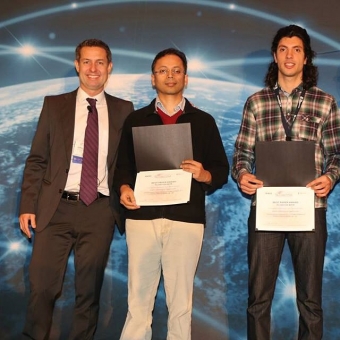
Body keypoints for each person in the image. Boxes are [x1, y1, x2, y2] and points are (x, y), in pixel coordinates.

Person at [19, 38, 134, 339]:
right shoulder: (54, 105)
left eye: (99, 62)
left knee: (88, 293)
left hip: (99, 212)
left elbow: (128, 163)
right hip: (54, 210)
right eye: (86, 62)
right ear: (77, 65)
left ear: (109, 67)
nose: (93, 69)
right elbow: (37, 159)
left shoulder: (125, 110)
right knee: (42, 288)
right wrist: (28, 205)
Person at [232, 25, 340, 340]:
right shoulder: (256, 102)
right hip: (267, 209)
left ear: (306, 58)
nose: (289, 55)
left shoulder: (326, 102)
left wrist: (330, 177)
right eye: (283, 49)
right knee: (258, 298)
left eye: (296, 49)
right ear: (275, 56)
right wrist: (242, 174)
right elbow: (241, 152)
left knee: (310, 300)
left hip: (310, 207)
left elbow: (336, 154)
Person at [114, 47, 229, 340]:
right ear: (153, 78)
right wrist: (125, 187)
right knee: (138, 303)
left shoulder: (203, 121)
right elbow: (123, 167)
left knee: (180, 305)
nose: (170, 76)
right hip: (142, 219)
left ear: (186, 78)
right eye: (163, 70)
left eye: (176, 70)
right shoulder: (136, 119)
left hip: (186, 221)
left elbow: (221, 169)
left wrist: (205, 175)